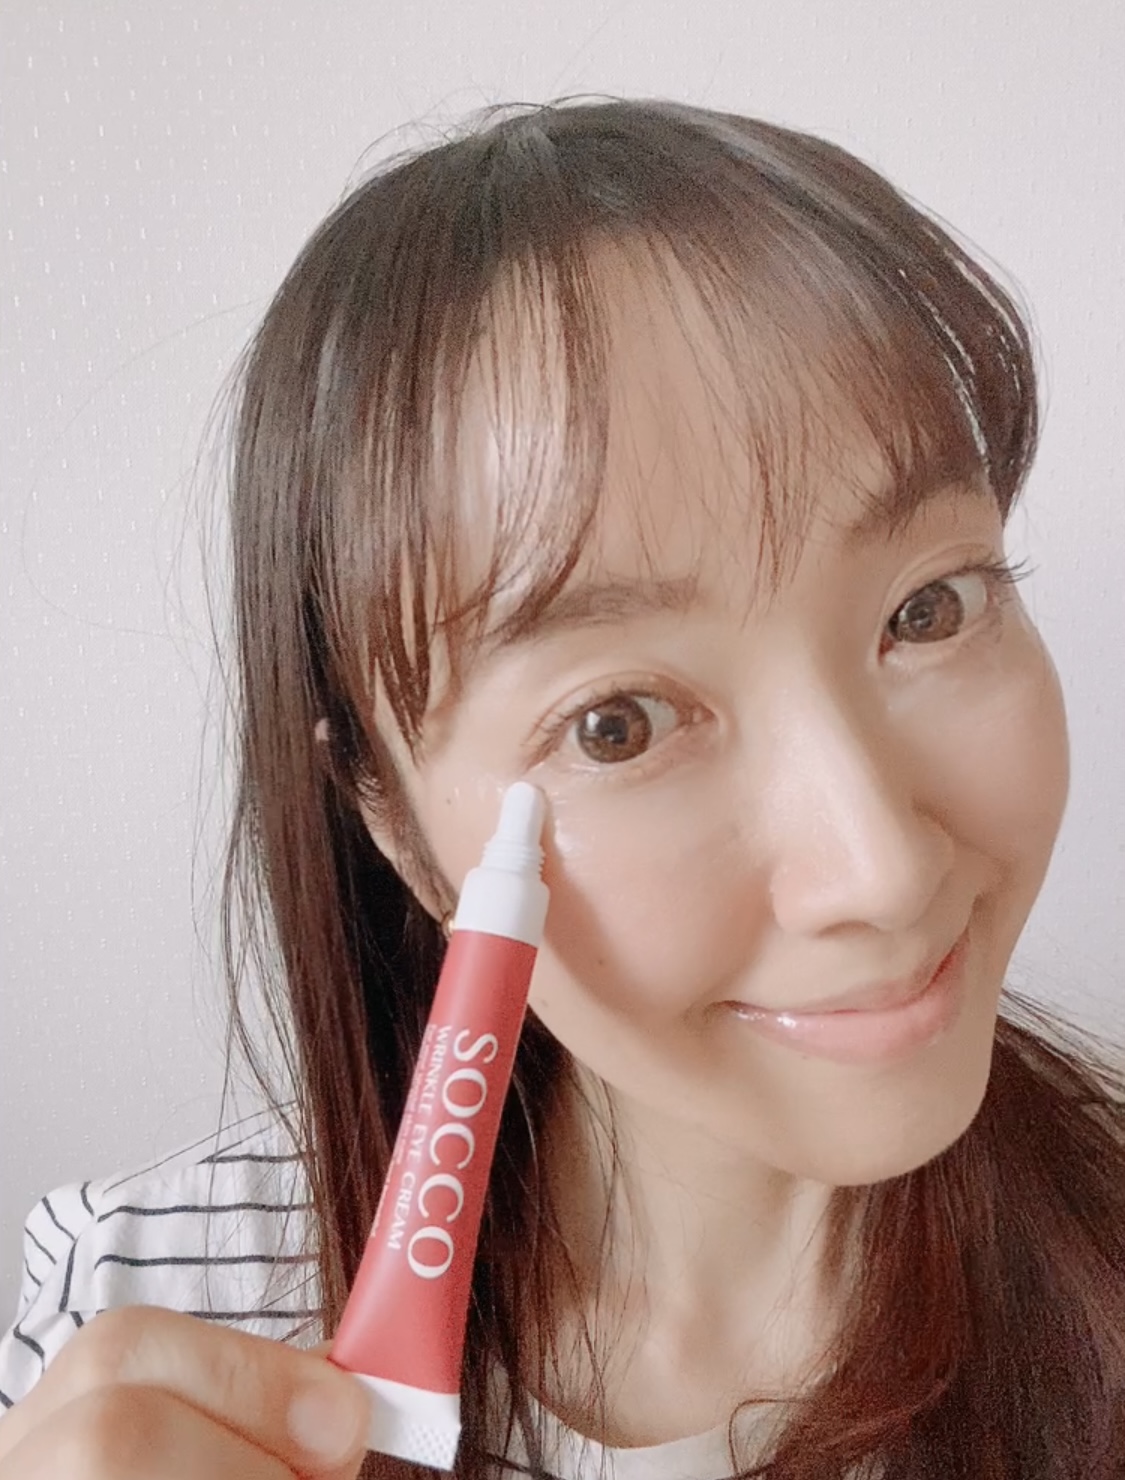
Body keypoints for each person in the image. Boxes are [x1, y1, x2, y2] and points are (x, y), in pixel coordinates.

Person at [1, 97, 1122, 1480]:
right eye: (615, 725)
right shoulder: (132, 1294)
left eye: (927, 609)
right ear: (395, 820)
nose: (882, 869)